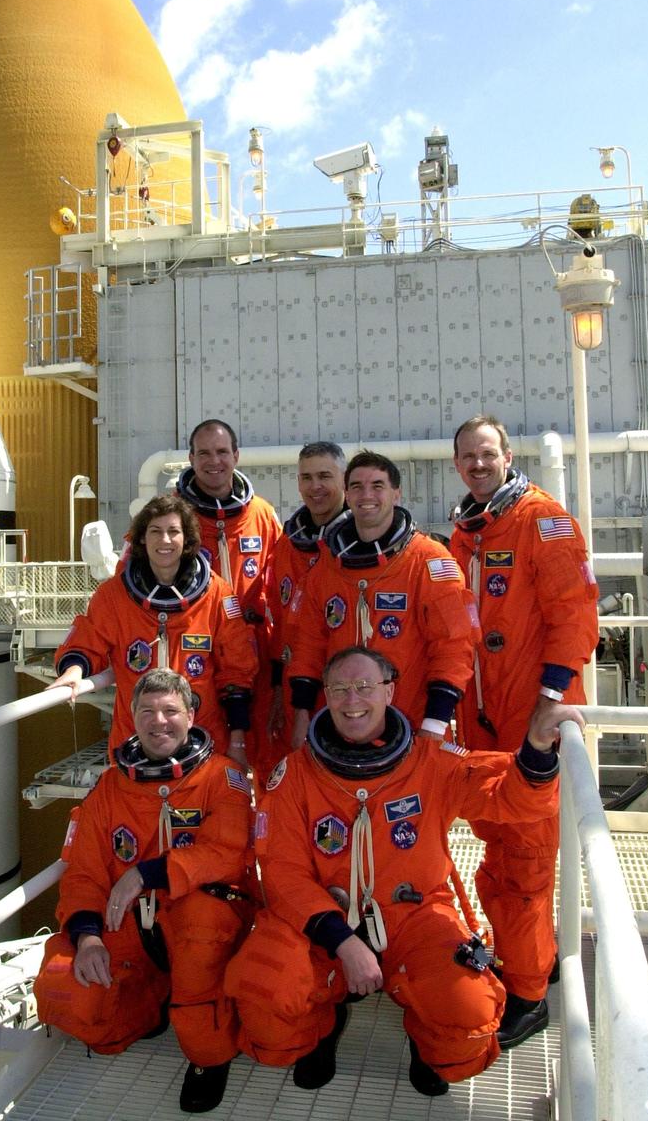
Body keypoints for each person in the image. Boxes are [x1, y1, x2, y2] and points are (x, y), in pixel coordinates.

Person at [225, 647, 583, 1096]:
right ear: (326, 698)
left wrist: (534, 747)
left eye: (364, 686)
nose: (351, 699)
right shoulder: (294, 774)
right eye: (339, 689)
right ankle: (323, 1021)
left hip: (414, 915)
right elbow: (282, 872)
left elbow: (510, 795)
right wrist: (343, 942)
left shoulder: (430, 761)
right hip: (321, 918)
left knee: (467, 1020)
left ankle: (426, 1033)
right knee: (265, 1003)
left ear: (390, 691)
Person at [34, 669, 253, 1114]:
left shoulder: (222, 778)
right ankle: (146, 1006)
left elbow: (228, 853)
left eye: (171, 711)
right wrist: (88, 936)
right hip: (131, 924)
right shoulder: (110, 788)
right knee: (74, 994)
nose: (159, 722)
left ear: (191, 715)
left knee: (200, 926)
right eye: (147, 712)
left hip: (201, 920)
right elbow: (83, 874)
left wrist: (147, 873)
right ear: (131, 718)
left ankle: (208, 1056)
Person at [450, 414, 599, 1046]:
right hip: (484, 718)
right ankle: (535, 956)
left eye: (487, 453)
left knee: (524, 864)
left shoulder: (544, 520)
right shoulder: (468, 531)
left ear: (507, 455)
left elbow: (574, 617)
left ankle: (530, 993)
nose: (478, 464)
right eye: (468, 457)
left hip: (530, 720)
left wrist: (546, 701)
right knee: (500, 852)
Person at [288, 450, 478, 748]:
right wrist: (301, 715)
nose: (367, 495)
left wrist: (434, 724)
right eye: (357, 487)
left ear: (396, 494)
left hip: (412, 725)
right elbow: (308, 647)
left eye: (377, 486)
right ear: (347, 495)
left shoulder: (428, 561)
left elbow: (454, 647)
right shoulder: (326, 567)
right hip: (341, 724)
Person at [50, 495, 257, 767]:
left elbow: (238, 668)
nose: (165, 540)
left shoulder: (217, 595)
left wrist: (238, 738)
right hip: (134, 740)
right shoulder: (114, 596)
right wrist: (74, 670)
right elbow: (88, 638)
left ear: (187, 539)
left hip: (203, 739)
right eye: (155, 531)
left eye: (174, 531)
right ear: (142, 539)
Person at [177, 419, 281, 772]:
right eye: (203, 453)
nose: (214, 461)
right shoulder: (170, 515)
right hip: (198, 651)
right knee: (204, 757)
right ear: (190, 458)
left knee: (268, 755)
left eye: (222, 452)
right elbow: (130, 576)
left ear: (236, 455)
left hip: (258, 654)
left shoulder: (262, 515)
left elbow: (284, 585)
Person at [264, 442, 347, 764]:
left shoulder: (361, 546)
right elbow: (279, 626)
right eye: (306, 477)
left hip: (345, 689)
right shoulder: (286, 546)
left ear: (343, 479)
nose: (315, 487)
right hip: (294, 692)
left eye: (325, 476)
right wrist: (275, 691)